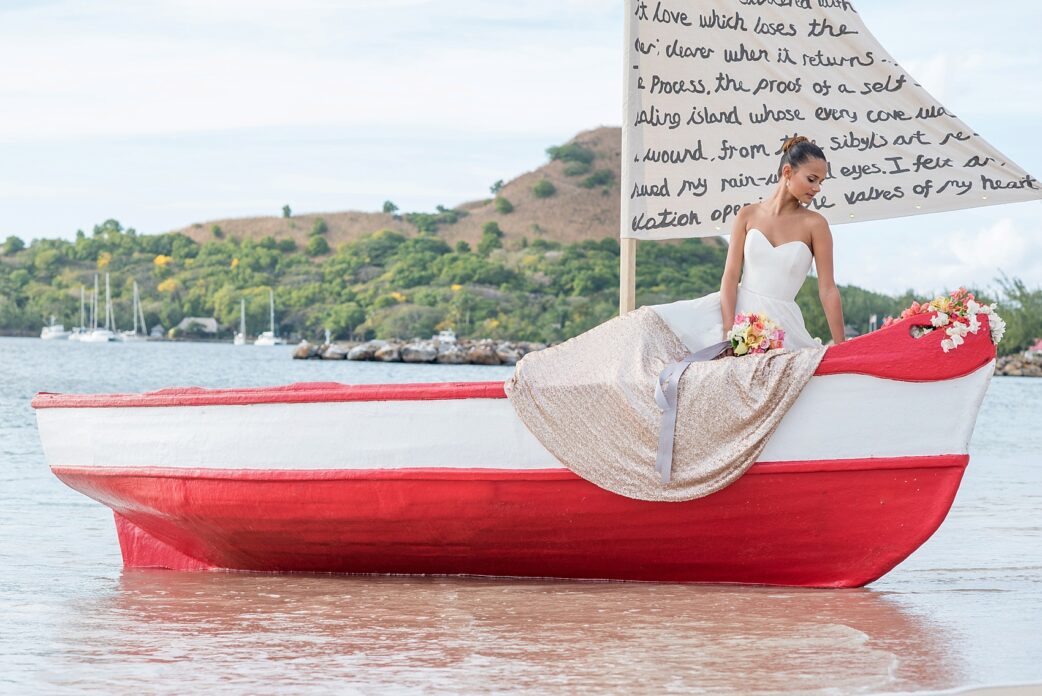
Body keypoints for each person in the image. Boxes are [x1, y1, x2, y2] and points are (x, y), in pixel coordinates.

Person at [651, 135, 846, 353]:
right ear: (787, 172)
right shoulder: (747, 214)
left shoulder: (816, 224)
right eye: (812, 179)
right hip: (737, 315)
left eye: (821, 182)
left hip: (783, 325)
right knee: (655, 324)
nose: (818, 188)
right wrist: (728, 332)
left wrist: (843, 346)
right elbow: (731, 276)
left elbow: (828, 289)